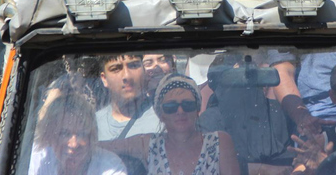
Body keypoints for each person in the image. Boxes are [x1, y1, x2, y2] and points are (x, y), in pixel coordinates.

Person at [102, 74, 241, 175]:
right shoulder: (149, 144)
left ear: (198, 110)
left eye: (187, 105)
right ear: (161, 114)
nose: (180, 111)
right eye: (170, 106)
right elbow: (100, 146)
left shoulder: (218, 142)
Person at [30, 93, 128, 175]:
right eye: (64, 134)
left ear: (91, 137)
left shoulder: (110, 166)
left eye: (82, 134)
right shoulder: (37, 161)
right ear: (49, 135)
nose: (74, 144)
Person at [96, 54, 160, 141]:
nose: (127, 76)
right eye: (116, 69)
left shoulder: (165, 115)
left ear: (144, 70)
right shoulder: (93, 124)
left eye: (133, 66)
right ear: (104, 79)